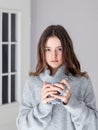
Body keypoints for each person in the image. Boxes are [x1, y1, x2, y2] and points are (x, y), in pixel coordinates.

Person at [16, 25, 98, 130]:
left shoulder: (82, 81)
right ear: (42, 51)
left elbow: (94, 125)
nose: (53, 55)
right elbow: (22, 126)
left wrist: (71, 103)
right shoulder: (32, 82)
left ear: (67, 50)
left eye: (59, 49)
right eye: (48, 49)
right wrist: (43, 107)